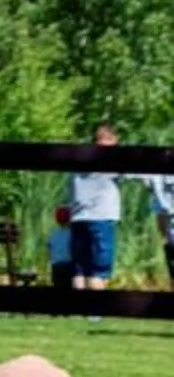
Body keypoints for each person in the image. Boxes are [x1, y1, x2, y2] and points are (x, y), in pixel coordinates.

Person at [66, 123, 124, 292]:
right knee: (100, 269)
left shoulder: (79, 160)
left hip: (78, 217)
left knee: (80, 267)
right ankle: (95, 311)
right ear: (108, 140)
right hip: (101, 216)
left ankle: (79, 309)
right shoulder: (108, 160)